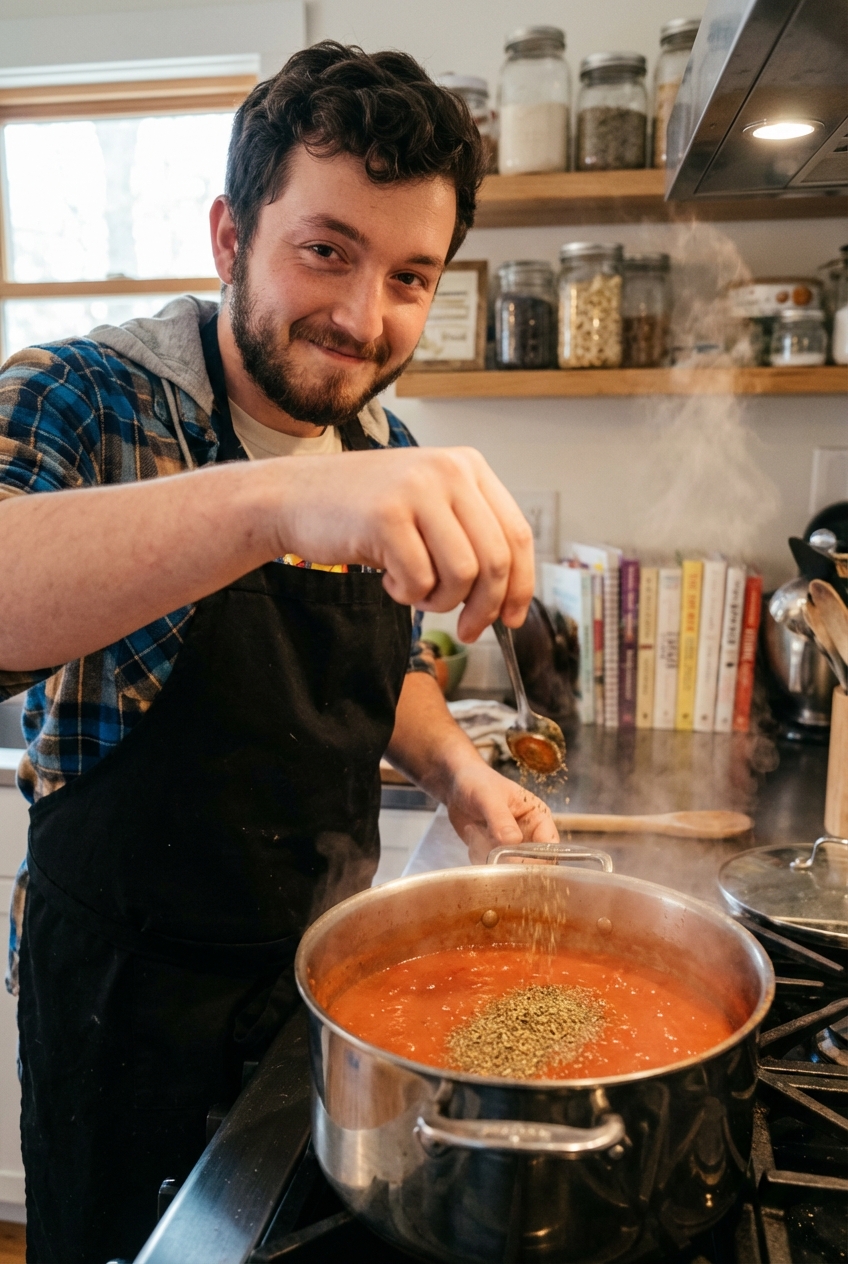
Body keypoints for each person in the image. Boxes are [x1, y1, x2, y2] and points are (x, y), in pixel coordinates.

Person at [0, 42, 558, 1262]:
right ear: (228, 236)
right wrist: (269, 506)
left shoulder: (380, 437)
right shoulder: (89, 397)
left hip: (321, 980)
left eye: (410, 275)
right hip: (120, 1001)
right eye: (326, 251)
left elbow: (380, 668)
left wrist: (460, 774)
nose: (363, 318)